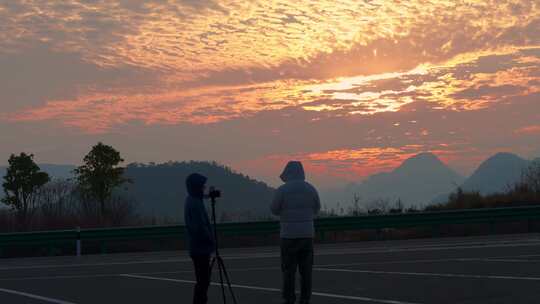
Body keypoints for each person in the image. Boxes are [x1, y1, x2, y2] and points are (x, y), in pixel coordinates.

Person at [271, 161, 321, 304]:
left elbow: (274, 209)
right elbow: (317, 208)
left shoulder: (282, 190)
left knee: (288, 271)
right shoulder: (311, 189)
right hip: (307, 235)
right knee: (306, 272)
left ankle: (289, 299)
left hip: (288, 236)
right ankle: (305, 300)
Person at [185, 173, 215, 304]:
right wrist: (211, 240)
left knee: (202, 281)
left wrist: (210, 195)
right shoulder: (195, 204)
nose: (204, 188)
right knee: (203, 282)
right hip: (200, 248)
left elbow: (200, 196)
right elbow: (200, 227)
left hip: (197, 247)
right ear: (196, 187)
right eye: (202, 186)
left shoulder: (192, 199)